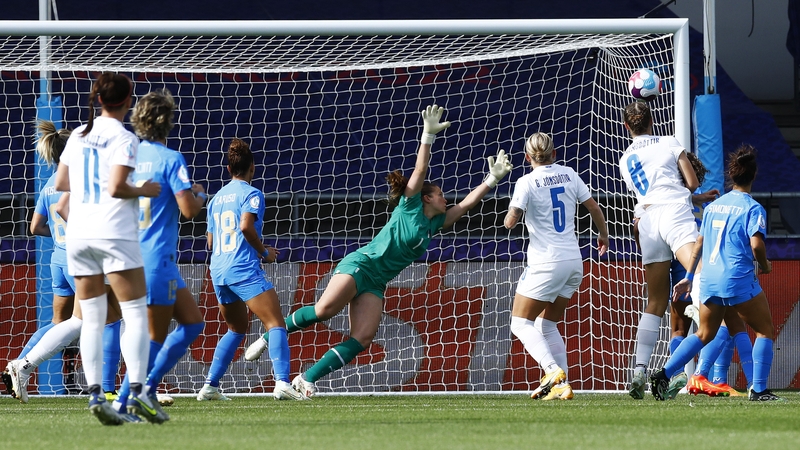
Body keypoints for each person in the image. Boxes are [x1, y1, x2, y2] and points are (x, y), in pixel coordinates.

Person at [244, 104, 513, 398]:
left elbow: (465, 205)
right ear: (425, 197)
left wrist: (491, 180)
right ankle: (270, 336)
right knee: (323, 311)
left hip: (376, 281)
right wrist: (428, 136)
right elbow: (420, 169)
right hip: (362, 265)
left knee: (362, 338)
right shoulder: (410, 205)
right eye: (439, 194)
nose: (445, 198)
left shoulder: (433, 224)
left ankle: (306, 378)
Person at [54, 72, 164, 425]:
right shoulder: (124, 138)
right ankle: (139, 393)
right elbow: (117, 187)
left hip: (79, 235)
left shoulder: (77, 136)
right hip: (113, 233)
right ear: (128, 101)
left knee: (91, 318)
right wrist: (144, 189)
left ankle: (96, 395)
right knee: (135, 313)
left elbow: (61, 184)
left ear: (98, 99)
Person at [650, 144, 783, 402]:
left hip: (709, 279)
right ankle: (758, 390)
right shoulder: (753, 208)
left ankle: (664, 373)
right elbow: (757, 245)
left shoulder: (713, 207)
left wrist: (689, 277)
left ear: (732, 175)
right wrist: (765, 266)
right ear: (754, 175)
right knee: (764, 330)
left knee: (704, 333)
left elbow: (699, 243)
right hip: (737, 279)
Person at [4, 121, 123, 404]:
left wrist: (62, 236)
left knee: (62, 322)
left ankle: (18, 366)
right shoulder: (80, 181)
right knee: (108, 319)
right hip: (81, 258)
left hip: (59, 258)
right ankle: (107, 388)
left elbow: (35, 226)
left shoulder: (49, 185)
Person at [111, 89, 207, 419]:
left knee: (193, 323)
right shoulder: (170, 158)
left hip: (130, 254)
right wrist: (199, 195)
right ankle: (124, 400)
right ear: (167, 121)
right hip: (155, 258)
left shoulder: (127, 157)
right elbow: (189, 210)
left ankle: (146, 389)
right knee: (154, 337)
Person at [197, 138, 305, 401]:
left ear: (228, 169)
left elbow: (210, 241)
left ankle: (210, 386)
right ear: (252, 168)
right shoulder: (252, 194)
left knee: (236, 328)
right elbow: (245, 226)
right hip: (242, 268)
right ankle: (282, 383)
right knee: (275, 323)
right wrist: (264, 252)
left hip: (219, 271)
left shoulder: (215, 199)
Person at [504, 132, 609, 401]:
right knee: (547, 324)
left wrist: (512, 214)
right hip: (573, 262)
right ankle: (562, 386)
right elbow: (594, 208)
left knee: (520, 323)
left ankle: (551, 371)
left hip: (546, 262)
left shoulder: (526, 182)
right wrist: (603, 235)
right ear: (554, 153)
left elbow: (510, 222)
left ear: (527, 157)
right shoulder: (570, 174)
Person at [618, 101, 703, 399]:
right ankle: (697, 371)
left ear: (626, 126)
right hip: (675, 214)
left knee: (654, 302)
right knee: (701, 278)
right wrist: (692, 192)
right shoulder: (669, 141)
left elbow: (648, 193)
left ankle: (639, 370)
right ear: (653, 120)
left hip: (647, 221)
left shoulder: (624, 158)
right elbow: (691, 182)